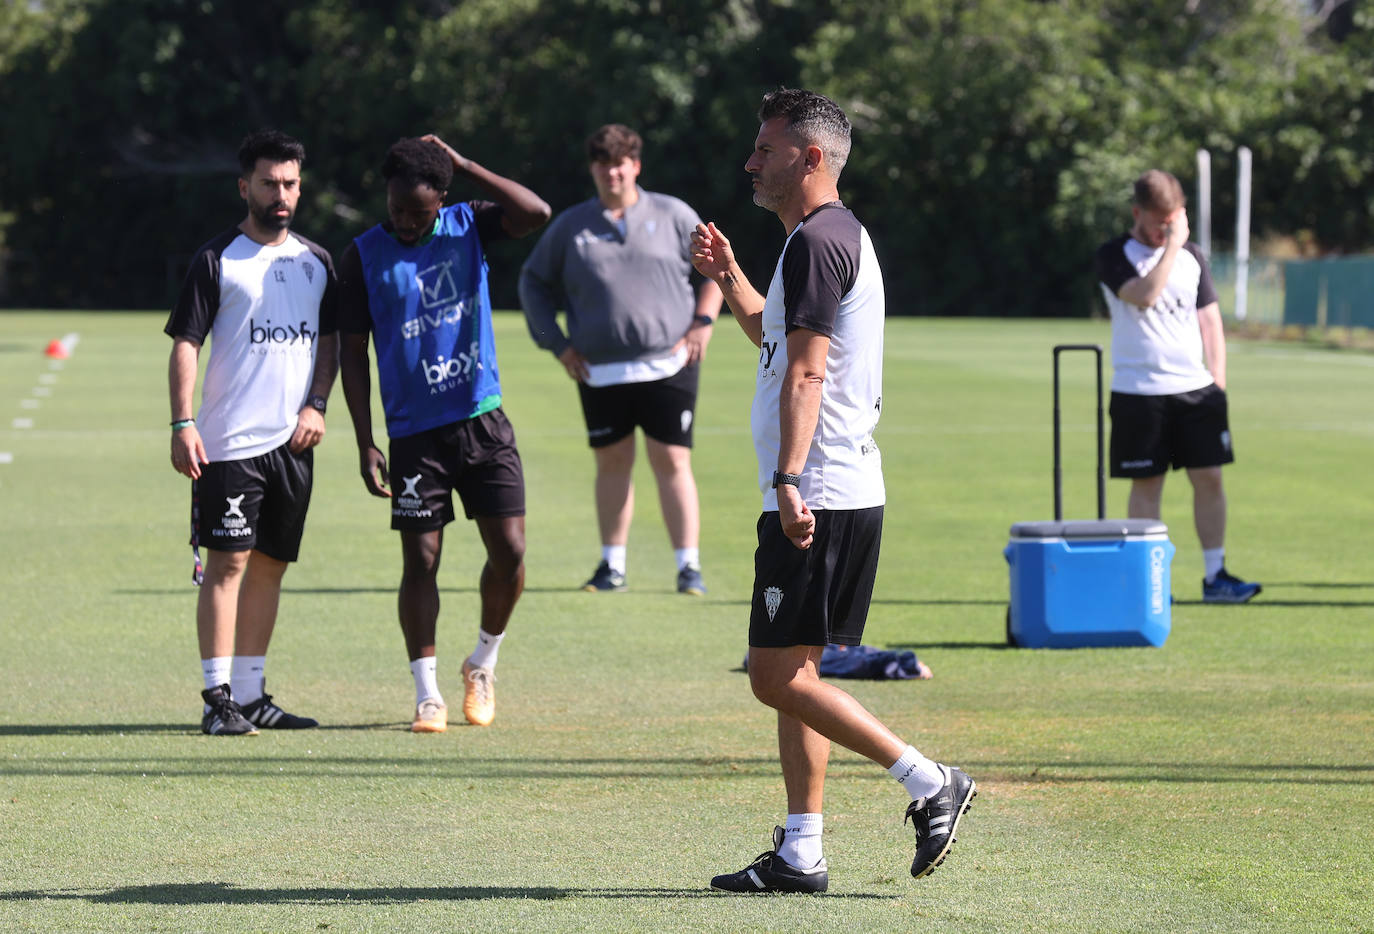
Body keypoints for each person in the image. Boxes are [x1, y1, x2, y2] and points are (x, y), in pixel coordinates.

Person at [689, 89, 975, 893]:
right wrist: (734, 275)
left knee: (773, 674)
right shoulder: (818, 240)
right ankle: (801, 851)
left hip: (817, 489)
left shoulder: (819, 243)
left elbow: (809, 373)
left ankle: (928, 780)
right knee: (796, 671)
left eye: (765, 149)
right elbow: (778, 342)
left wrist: (786, 477)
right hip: (834, 484)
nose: (750, 162)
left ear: (811, 158)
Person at [337, 135, 550, 733]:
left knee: (509, 552)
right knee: (422, 559)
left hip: (483, 420)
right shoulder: (362, 256)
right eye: (397, 208)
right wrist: (364, 439)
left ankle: (482, 662)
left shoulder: (469, 225)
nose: (406, 221)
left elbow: (536, 214)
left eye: (419, 210)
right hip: (414, 436)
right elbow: (353, 351)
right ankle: (427, 694)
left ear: (443, 198)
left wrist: (466, 164)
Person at [165, 128, 339, 736]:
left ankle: (252, 692)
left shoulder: (317, 262)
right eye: (269, 182)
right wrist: (183, 421)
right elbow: (186, 341)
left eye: (290, 182)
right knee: (228, 565)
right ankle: (217, 702)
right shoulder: (217, 259)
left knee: (270, 567)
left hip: (292, 445)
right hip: (229, 443)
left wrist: (317, 404)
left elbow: (332, 339)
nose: (281, 192)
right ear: (246, 187)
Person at [518, 124, 724, 596]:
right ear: (593, 169)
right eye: (603, 163)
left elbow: (714, 270)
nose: (612, 171)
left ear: (636, 165)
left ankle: (688, 567)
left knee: (672, 460)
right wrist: (558, 344)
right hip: (598, 369)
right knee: (612, 463)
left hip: (669, 363)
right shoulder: (570, 226)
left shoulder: (672, 214)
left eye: (621, 161)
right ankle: (612, 567)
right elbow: (532, 284)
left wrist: (702, 323)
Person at [1096, 169, 1261, 604]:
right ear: (1137, 213)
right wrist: (1171, 245)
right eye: (1158, 222)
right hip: (1139, 391)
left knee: (1209, 479)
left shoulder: (1194, 257)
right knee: (1147, 484)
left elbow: (1210, 321)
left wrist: (1217, 384)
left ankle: (1215, 576)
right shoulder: (1115, 254)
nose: (1167, 229)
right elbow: (1143, 295)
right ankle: (1148, 585)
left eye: (1173, 221)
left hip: (1196, 390)